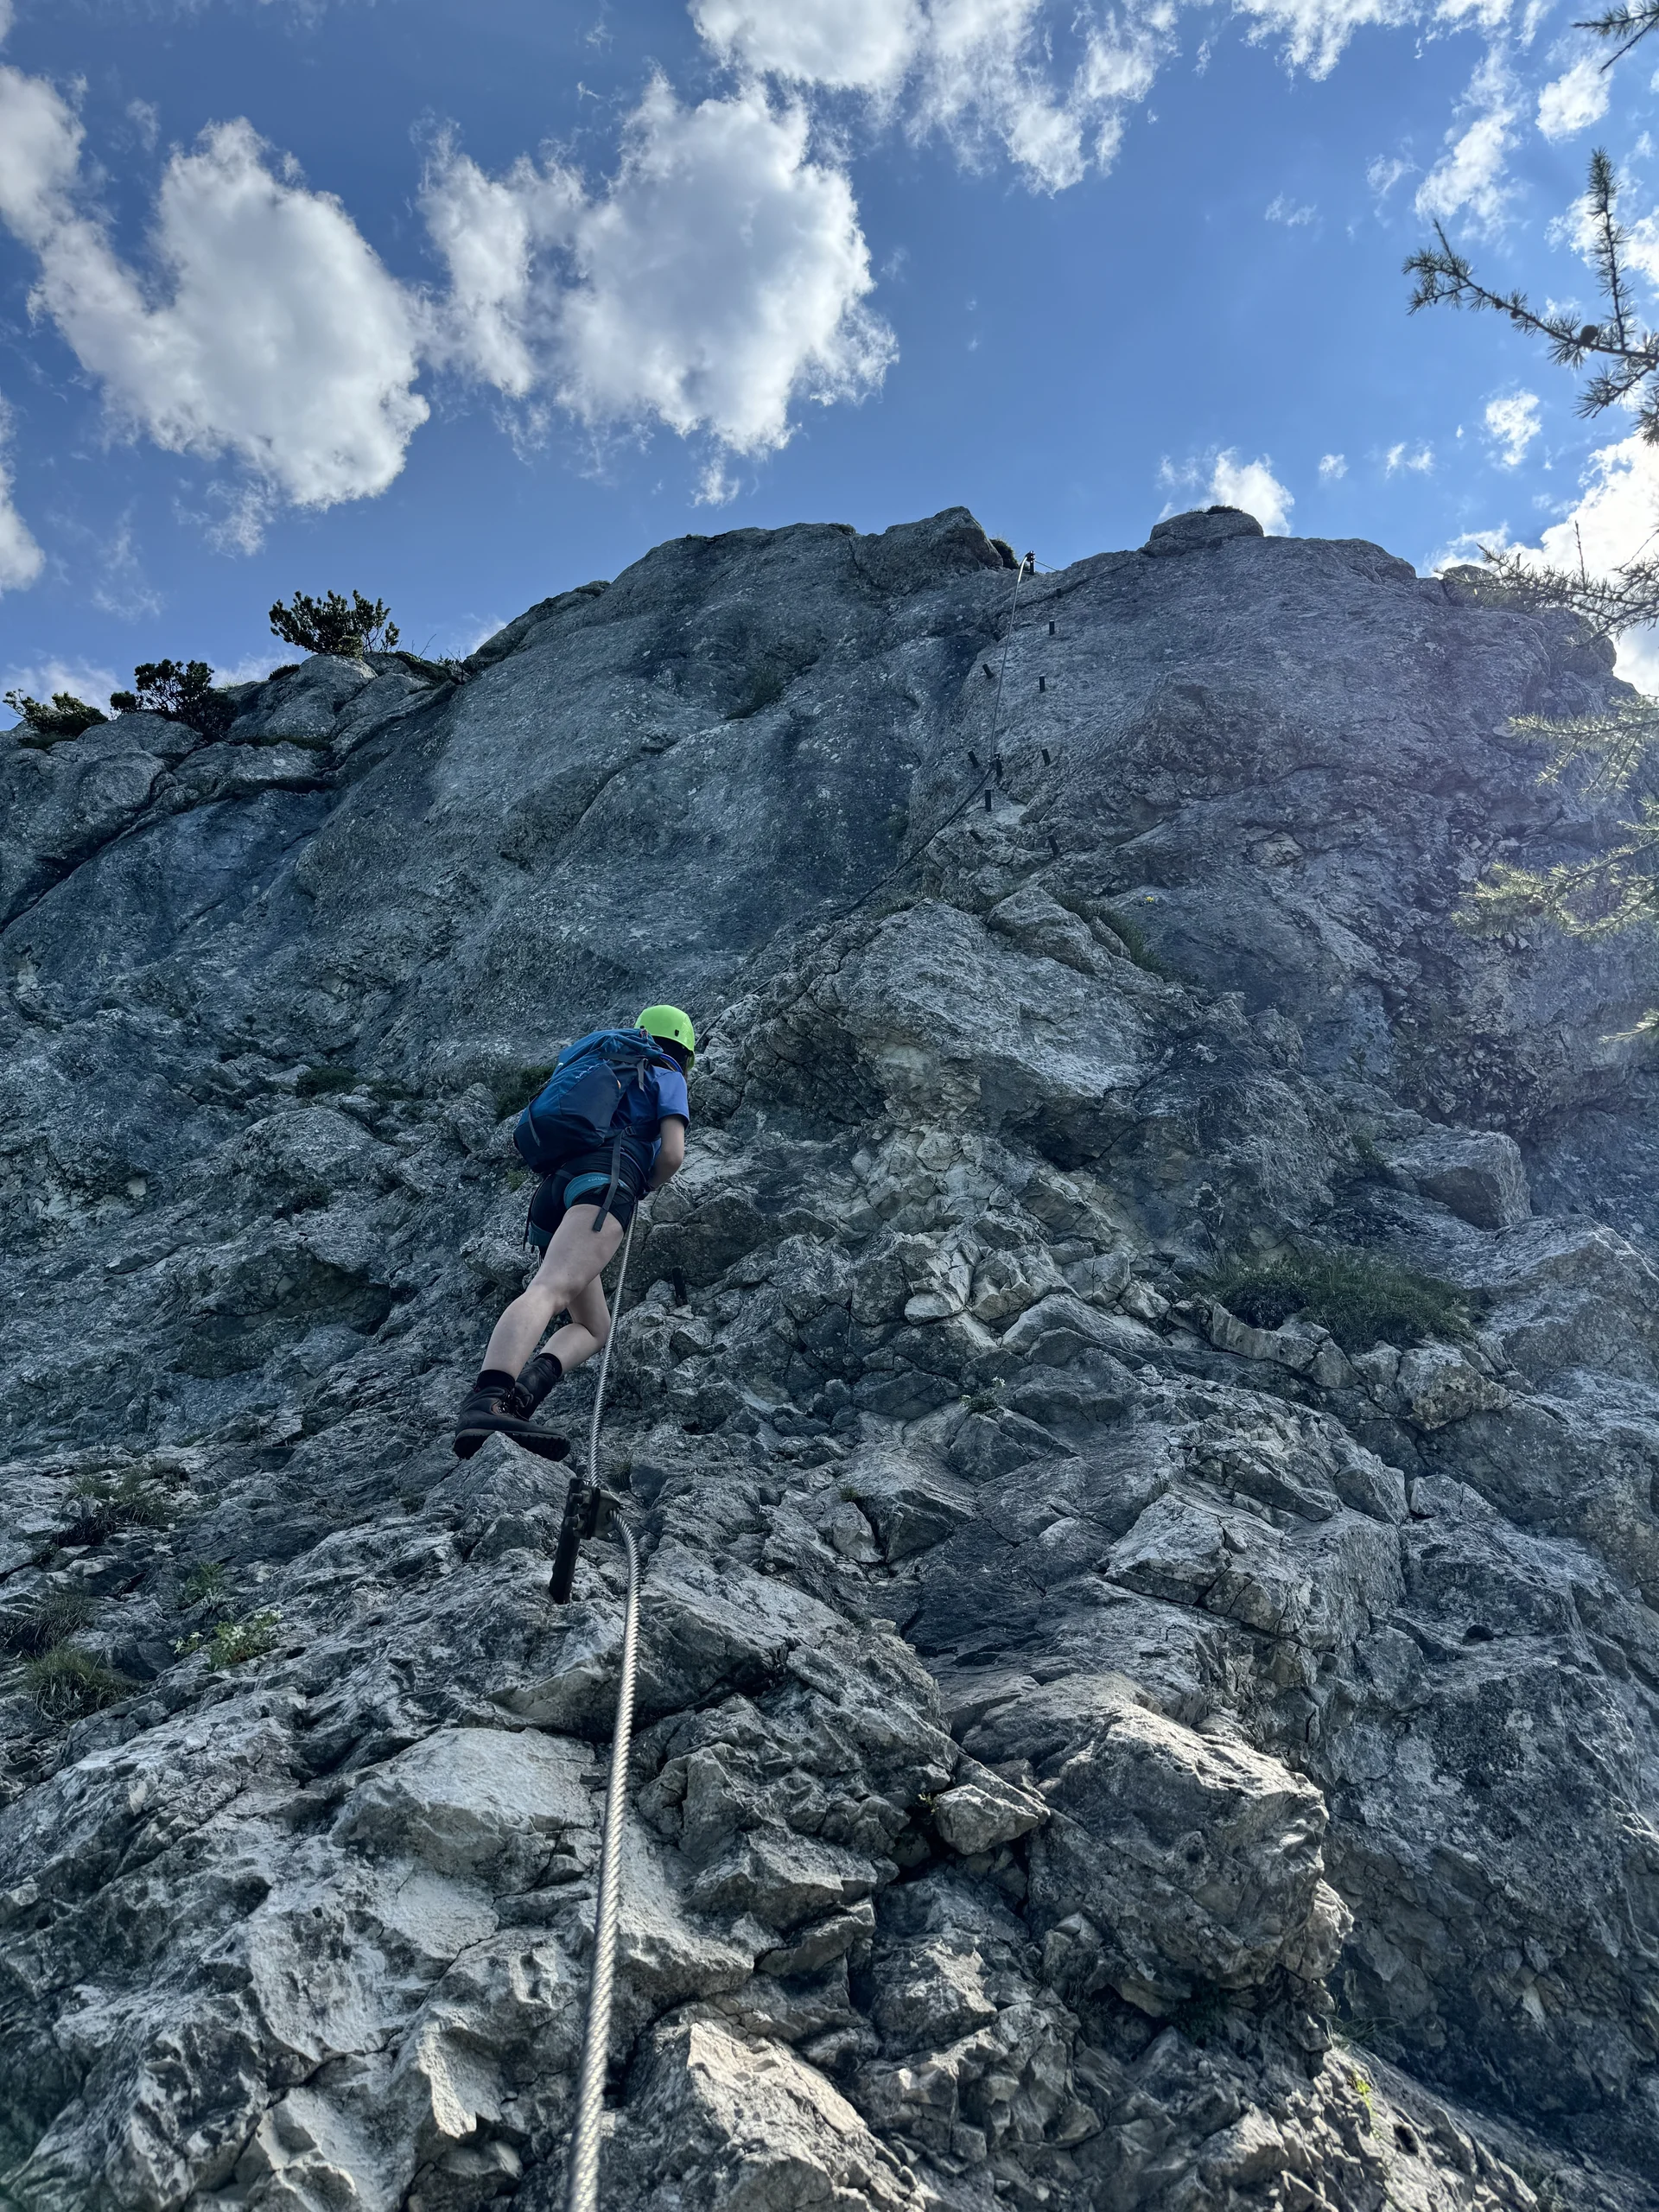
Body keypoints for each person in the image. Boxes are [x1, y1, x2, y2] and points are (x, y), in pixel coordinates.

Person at [454, 1005, 694, 1455]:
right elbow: (673, 1154)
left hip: (555, 1191)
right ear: (683, 1051)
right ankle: (486, 1399)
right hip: (607, 1180)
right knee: (549, 1289)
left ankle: (517, 1402)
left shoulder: (601, 1062)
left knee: (594, 1325)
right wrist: (643, 1186)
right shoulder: (667, 1073)